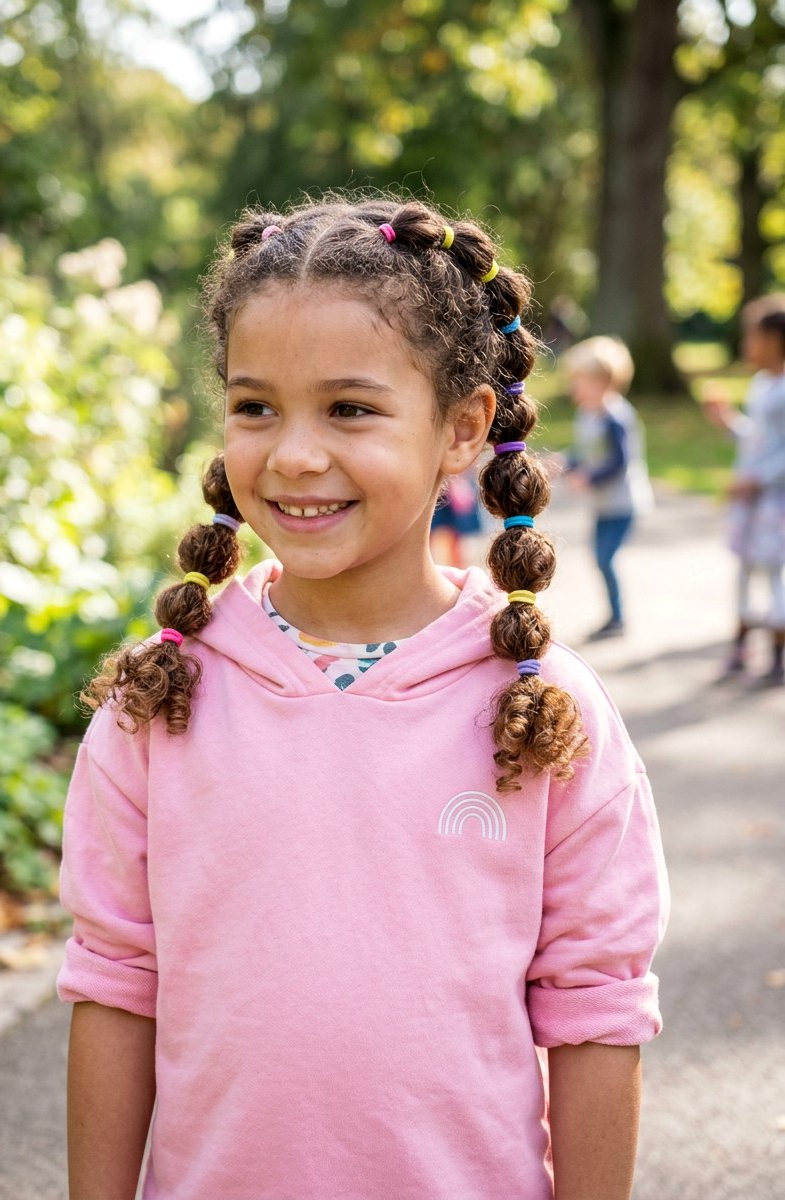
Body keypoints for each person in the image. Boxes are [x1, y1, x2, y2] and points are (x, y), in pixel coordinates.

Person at [57, 197, 669, 1200]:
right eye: (256, 407)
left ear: (463, 427)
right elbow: (115, 983)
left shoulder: (543, 708)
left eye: (348, 408)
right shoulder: (159, 697)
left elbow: (594, 1006)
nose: (293, 455)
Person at [703, 294, 785, 686]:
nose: (746, 345)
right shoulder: (761, 384)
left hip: (775, 503)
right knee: (745, 567)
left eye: (752, 337)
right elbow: (759, 439)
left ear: (774, 339)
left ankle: (777, 653)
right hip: (751, 504)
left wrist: (759, 479)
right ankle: (740, 646)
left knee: (775, 572)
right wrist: (729, 421)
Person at [559, 336, 653, 640]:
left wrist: (589, 477)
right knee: (599, 556)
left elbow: (618, 462)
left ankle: (617, 617)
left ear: (602, 382)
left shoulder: (617, 418)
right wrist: (564, 463)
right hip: (603, 504)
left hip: (623, 503)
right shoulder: (586, 415)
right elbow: (585, 453)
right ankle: (613, 615)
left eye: (580, 382)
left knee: (605, 557)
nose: (574, 388)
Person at [429, 461, 485, 567]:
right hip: (440, 485)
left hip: (454, 485)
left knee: (457, 536)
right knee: (430, 533)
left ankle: (458, 569)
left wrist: (461, 479)